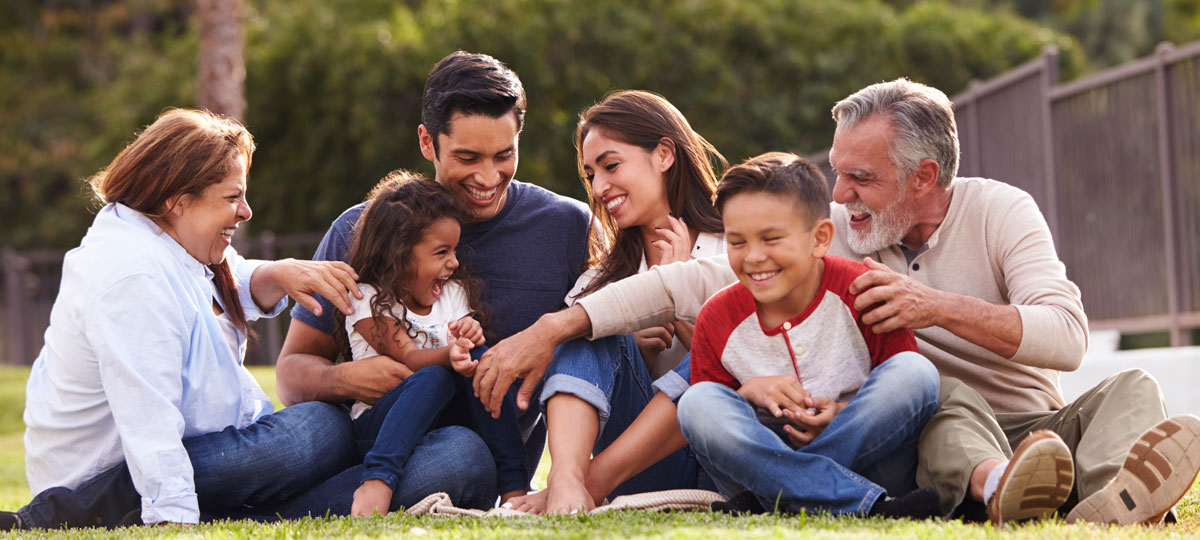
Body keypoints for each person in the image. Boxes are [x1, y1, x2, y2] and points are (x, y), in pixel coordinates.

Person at [474, 78, 1200, 526]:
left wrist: (934, 307)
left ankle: (1106, 506)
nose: (842, 194)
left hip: (1030, 418)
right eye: (837, 175)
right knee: (933, 390)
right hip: (937, 434)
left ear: (923, 178)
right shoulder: (842, 237)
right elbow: (703, 282)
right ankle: (1011, 490)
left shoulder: (1001, 211)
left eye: (858, 178)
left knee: (1134, 386)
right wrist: (559, 323)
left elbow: (1067, 337)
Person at [0, 109, 365, 530]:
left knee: (416, 458)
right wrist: (171, 518)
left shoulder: (165, 239)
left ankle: (278, 506)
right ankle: (72, 515)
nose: (246, 211)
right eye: (232, 198)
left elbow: (220, 278)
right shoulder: (132, 276)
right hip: (108, 479)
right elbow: (147, 415)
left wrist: (277, 273)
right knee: (320, 428)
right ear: (177, 201)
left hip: (179, 455)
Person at [274, 51, 590, 513]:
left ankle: (265, 514)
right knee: (301, 438)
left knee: (460, 455)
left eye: (505, 155)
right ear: (427, 142)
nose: (488, 177)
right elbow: (291, 375)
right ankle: (150, 485)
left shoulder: (567, 226)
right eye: (467, 157)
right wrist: (346, 378)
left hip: (468, 453)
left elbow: (606, 349)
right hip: (365, 430)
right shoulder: (362, 229)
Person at [677, 151, 941, 517]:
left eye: (771, 238)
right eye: (737, 243)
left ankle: (775, 502)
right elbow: (717, 426)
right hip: (762, 457)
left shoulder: (861, 291)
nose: (753, 257)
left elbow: (896, 390)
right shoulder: (716, 318)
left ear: (820, 238)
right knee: (697, 401)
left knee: (916, 372)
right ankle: (869, 506)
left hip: (868, 460)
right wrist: (747, 391)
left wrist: (844, 413)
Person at [506, 90, 727, 513]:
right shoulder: (601, 278)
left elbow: (745, 364)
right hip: (648, 468)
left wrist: (674, 292)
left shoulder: (738, 245)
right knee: (585, 322)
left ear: (664, 154)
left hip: (732, 453)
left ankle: (583, 484)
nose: (599, 187)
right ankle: (567, 482)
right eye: (591, 175)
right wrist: (632, 355)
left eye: (610, 166)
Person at [335, 172, 527, 516]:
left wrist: (470, 337)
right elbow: (408, 357)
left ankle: (515, 488)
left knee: (484, 364)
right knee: (434, 376)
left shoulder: (453, 293)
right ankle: (378, 479)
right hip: (379, 426)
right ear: (399, 255)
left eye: (454, 250)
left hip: (442, 426)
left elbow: (465, 353)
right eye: (441, 252)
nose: (453, 263)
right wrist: (451, 355)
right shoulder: (368, 299)